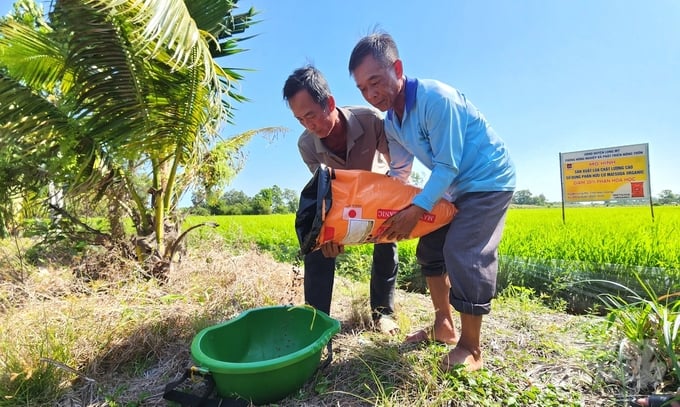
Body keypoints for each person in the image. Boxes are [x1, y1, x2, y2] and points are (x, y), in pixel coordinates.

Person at [348, 32, 516, 372]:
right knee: (430, 249)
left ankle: (471, 347)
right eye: (363, 89)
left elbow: (447, 165)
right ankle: (444, 325)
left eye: (375, 81)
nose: (371, 94)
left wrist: (417, 209)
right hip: (454, 188)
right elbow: (399, 172)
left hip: (488, 181)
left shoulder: (436, 99)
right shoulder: (393, 122)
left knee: (464, 252)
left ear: (397, 68)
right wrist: (385, 210)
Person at [283, 65, 400, 334]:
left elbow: (398, 166)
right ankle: (317, 320)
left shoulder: (369, 120)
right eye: (301, 120)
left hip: (379, 198)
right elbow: (327, 194)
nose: (309, 125)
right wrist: (328, 235)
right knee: (315, 244)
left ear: (330, 103)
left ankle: (383, 313)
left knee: (387, 242)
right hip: (342, 203)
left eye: (311, 115)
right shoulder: (307, 145)